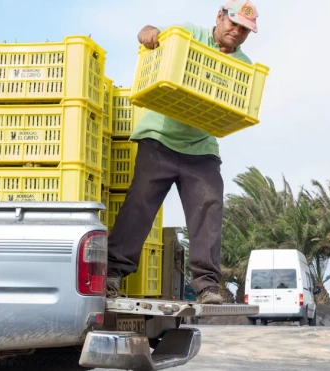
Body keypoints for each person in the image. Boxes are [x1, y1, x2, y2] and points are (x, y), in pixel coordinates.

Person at [105, 0, 260, 305]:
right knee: (139, 206)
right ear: (219, 16)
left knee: (209, 208)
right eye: (233, 23)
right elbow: (148, 33)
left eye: (245, 29)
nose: (237, 31)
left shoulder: (243, 66)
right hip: (158, 139)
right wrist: (148, 32)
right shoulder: (188, 34)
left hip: (201, 149)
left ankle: (207, 287)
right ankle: (112, 273)